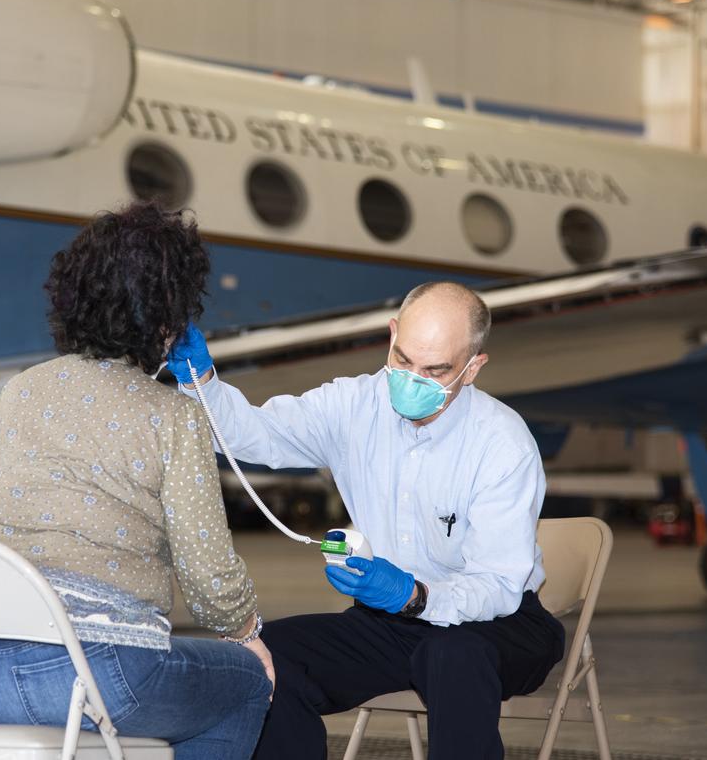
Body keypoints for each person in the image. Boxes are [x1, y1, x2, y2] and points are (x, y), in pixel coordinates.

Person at [0, 202, 273, 760]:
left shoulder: (19, 391)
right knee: (245, 683)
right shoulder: (173, 414)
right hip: (79, 679)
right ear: (171, 315)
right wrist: (247, 630)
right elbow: (209, 581)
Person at [166, 281, 564, 760]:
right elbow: (253, 435)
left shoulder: (503, 443)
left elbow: (498, 585)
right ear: (392, 334)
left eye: (435, 371)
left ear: (473, 367)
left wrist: (415, 595)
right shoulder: (351, 405)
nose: (412, 379)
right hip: (391, 621)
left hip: (499, 622)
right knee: (262, 658)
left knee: (452, 655)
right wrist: (202, 381)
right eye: (403, 359)